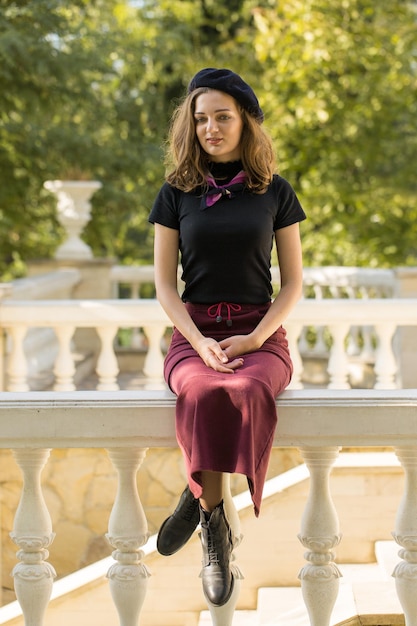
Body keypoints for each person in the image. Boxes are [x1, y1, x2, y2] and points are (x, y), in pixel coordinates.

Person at [148, 67, 306, 607]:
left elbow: (293, 284)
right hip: (193, 333)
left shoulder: (275, 191)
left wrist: (256, 339)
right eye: (201, 119)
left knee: (245, 389)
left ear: (245, 121)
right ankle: (215, 531)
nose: (210, 128)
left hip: (261, 333)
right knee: (201, 389)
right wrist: (198, 343)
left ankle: (195, 500)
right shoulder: (175, 193)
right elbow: (164, 287)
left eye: (222, 117)